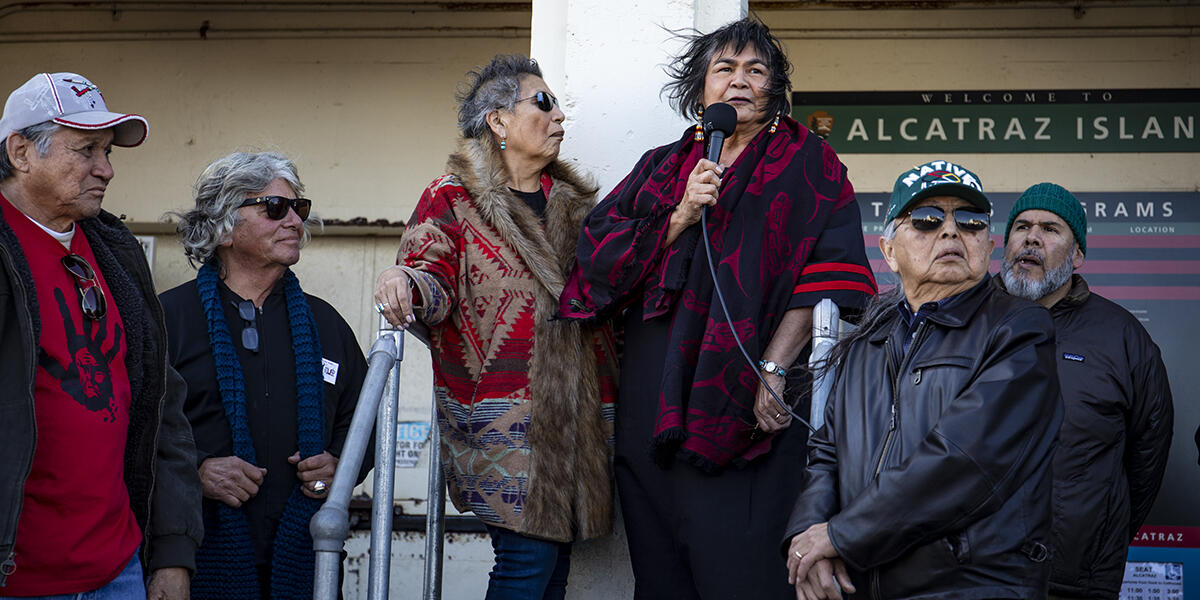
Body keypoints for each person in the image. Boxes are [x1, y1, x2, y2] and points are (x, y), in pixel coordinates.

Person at [557, 19, 876, 599]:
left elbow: (830, 275)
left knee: (740, 569)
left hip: (756, 395)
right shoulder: (664, 165)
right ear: (700, 88)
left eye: (756, 70)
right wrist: (679, 215)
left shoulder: (812, 163)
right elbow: (597, 257)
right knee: (661, 574)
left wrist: (774, 369)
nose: (739, 81)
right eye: (724, 69)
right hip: (653, 395)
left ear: (774, 87)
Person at [373, 54, 618, 599]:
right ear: (498, 120)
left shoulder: (577, 206)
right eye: (544, 103)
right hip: (501, 423)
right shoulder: (453, 198)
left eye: (559, 108)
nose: (559, 118)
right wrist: (404, 281)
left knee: (550, 574)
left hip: (580, 422)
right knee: (526, 567)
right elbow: (429, 276)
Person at [783, 161, 1063, 600]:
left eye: (969, 221)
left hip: (970, 588)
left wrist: (839, 536)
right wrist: (809, 540)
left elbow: (963, 461)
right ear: (888, 251)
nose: (950, 232)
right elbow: (825, 454)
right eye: (928, 219)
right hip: (862, 583)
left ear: (987, 246)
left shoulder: (1020, 328)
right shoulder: (869, 339)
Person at [0, 72, 202, 598]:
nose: (106, 169)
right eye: (86, 148)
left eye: (108, 151)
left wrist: (172, 551)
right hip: (19, 578)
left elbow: (161, 404)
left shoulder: (114, 250)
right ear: (21, 151)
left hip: (119, 570)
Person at [158, 151, 368, 599]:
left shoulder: (325, 323)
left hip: (302, 557)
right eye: (274, 208)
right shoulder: (169, 319)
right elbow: (136, 431)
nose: (294, 221)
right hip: (198, 556)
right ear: (224, 225)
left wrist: (340, 463)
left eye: (299, 208)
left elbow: (366, 420)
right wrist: (196, 471)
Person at [997, 182, 1174, 600]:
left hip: (1076, 578)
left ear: (1077, 256)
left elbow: (1148, 452)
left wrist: (1098, 533)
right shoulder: (968, 321)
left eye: (1050, 229)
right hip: (971, 575)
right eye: (1021, 226)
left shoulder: (1122, 335)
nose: (1031, 237)